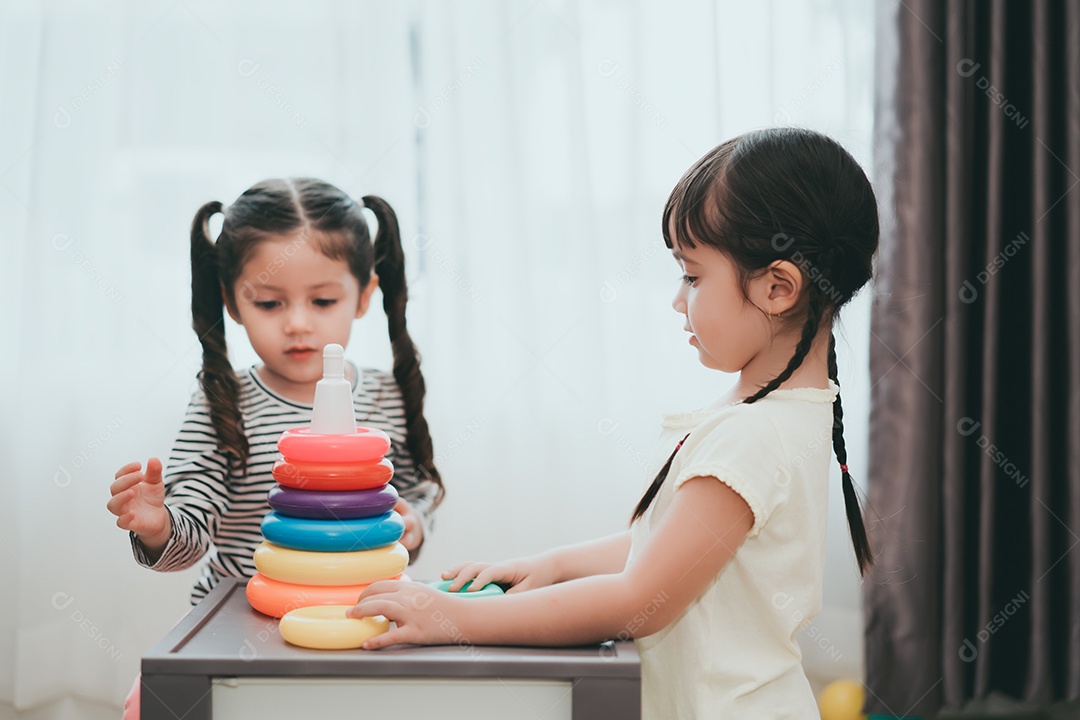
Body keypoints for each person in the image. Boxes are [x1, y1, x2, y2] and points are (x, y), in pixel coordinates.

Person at [349, 128, 877, 719]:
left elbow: (638, 599)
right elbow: (679, 543)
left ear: (777, 287)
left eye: (694, 276)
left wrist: (452, 618)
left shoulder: (753, 435)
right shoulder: (783, 415)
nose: (679, 300)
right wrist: (554, 564)